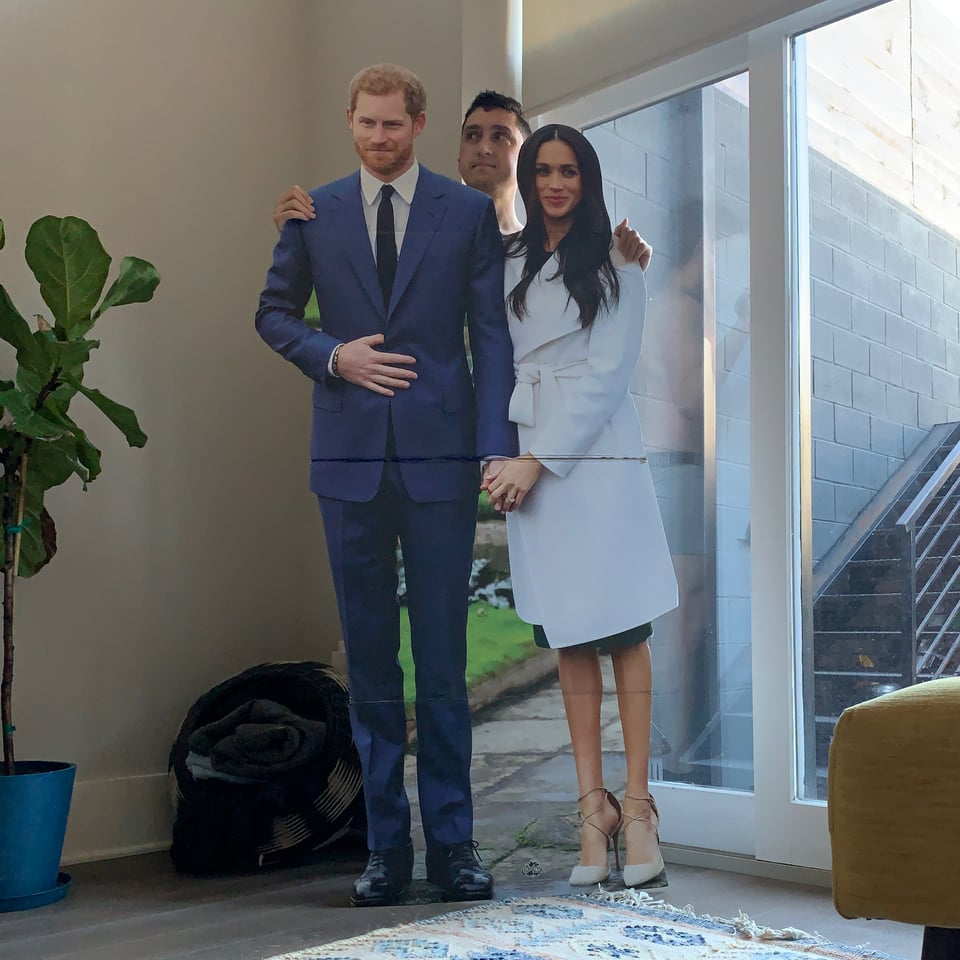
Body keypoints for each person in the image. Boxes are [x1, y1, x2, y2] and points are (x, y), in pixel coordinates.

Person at [255, 63, 517, 907]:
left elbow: (491, 337)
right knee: (369, 663)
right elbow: (273, 314)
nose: (377, 139)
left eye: (391, 125)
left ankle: (455, 848)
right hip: (348, 461)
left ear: (418, 123)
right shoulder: (313, 212)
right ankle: (383, 851)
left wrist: (493, 447)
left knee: (442, 661)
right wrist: (335, 355)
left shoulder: (468, 212)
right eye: (364, 124)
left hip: (442, 461)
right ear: (350, 121)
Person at [482, 124, 679, 888]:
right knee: (569, 635)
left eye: (568, 171)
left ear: (587, 180)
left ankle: (638, 807)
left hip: (597, 456)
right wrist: (508, 456)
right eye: (543, 170)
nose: (555, 183)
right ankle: (589, 808)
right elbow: (491, 355)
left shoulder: (621, 259)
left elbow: (609, 371)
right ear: (527, 179)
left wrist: (538, 459)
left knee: (624, 628)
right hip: (530, 449)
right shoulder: (504, 262)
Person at [273, 89, 653, 268]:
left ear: (527, 156)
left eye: (499, 137)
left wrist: (626, 264)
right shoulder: (407, 229)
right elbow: (342, 303)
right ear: (458, 154)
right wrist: (303, 238)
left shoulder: (545, 249)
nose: (484, 148)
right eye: (472, 136)